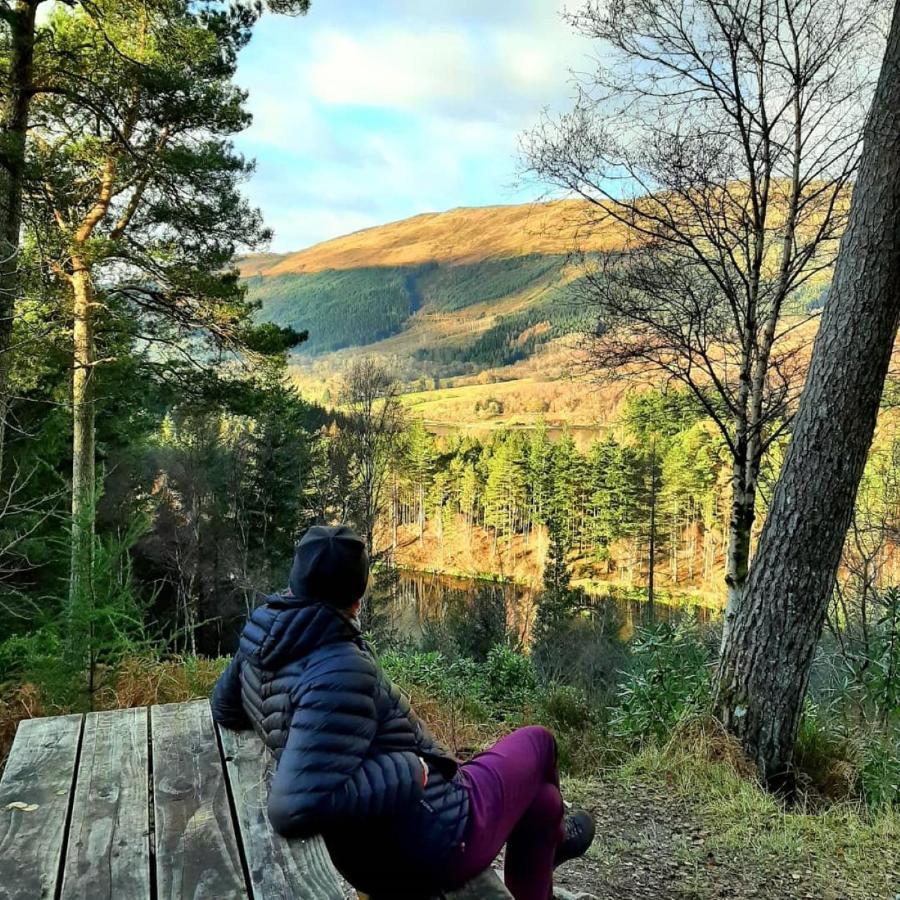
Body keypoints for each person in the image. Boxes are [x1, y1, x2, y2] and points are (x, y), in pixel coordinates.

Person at [212, 525, 595, 899]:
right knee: (539, 741)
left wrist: (285, 722)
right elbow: (291, 808)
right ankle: (557, 839)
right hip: (433, 839)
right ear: (356, 600)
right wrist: (410, 771)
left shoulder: (267, 633)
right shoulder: (339, 666)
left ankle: (550, 845)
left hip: (375, 842)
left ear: (294, 584)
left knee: (543, 802)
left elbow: (224, 707)